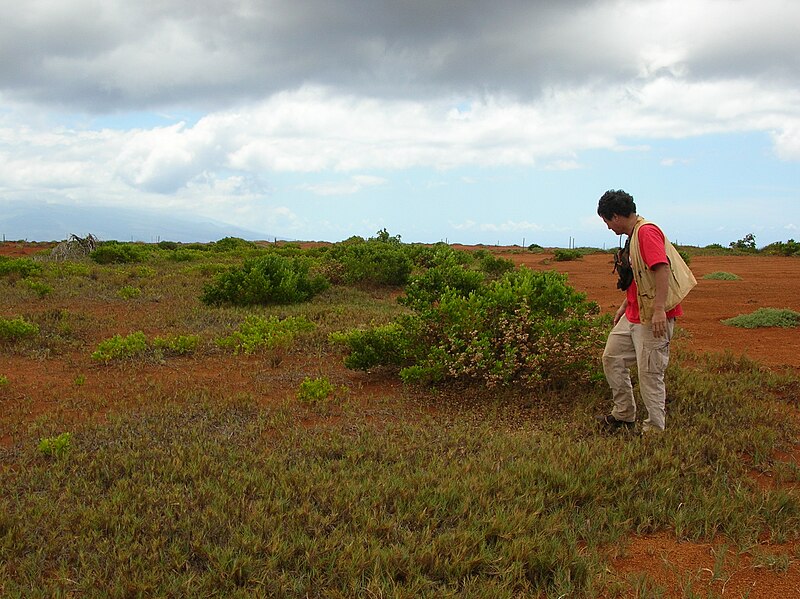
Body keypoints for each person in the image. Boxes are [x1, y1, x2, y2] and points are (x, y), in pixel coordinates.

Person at [595, 190, 696, 433]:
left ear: (616, 216)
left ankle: (654, 429)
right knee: (612, 358)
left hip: (652, 316)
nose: (608, 227)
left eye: (607, 221)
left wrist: (660, 310)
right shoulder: (633, 235)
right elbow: (638, 277)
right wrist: (624, 305)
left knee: (650, 372)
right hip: (634, 312)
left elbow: (661, 268)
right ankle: (624, 414)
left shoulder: (646, 232)